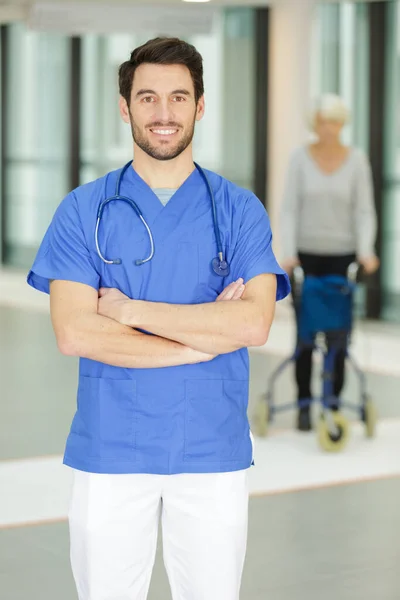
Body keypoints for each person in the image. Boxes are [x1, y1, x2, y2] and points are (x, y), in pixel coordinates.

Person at [27, 37, 290, 600]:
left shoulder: (238, 210)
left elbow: (253, 325)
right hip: (111, 450)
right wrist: (199, 341)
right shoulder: (83, 210)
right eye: (148, 98)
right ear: (125, 107)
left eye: (178, 97)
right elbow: (74, 331)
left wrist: (129, 311)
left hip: (211, 450)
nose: (163, 113)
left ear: (199, 105)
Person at [280, 94, 379, 433]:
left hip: (343, 258)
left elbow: (364, 210)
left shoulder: (357, 161)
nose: (329, 128)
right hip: (305, 258)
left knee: (338, 336)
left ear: (342, 124)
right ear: (315, 124)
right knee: (306, 336)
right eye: (323, 121)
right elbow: (289, 209)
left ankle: (333, 402)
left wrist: (366, 251)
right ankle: (305, 403)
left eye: (335, 122)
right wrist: (289, 252)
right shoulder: (299, 159)